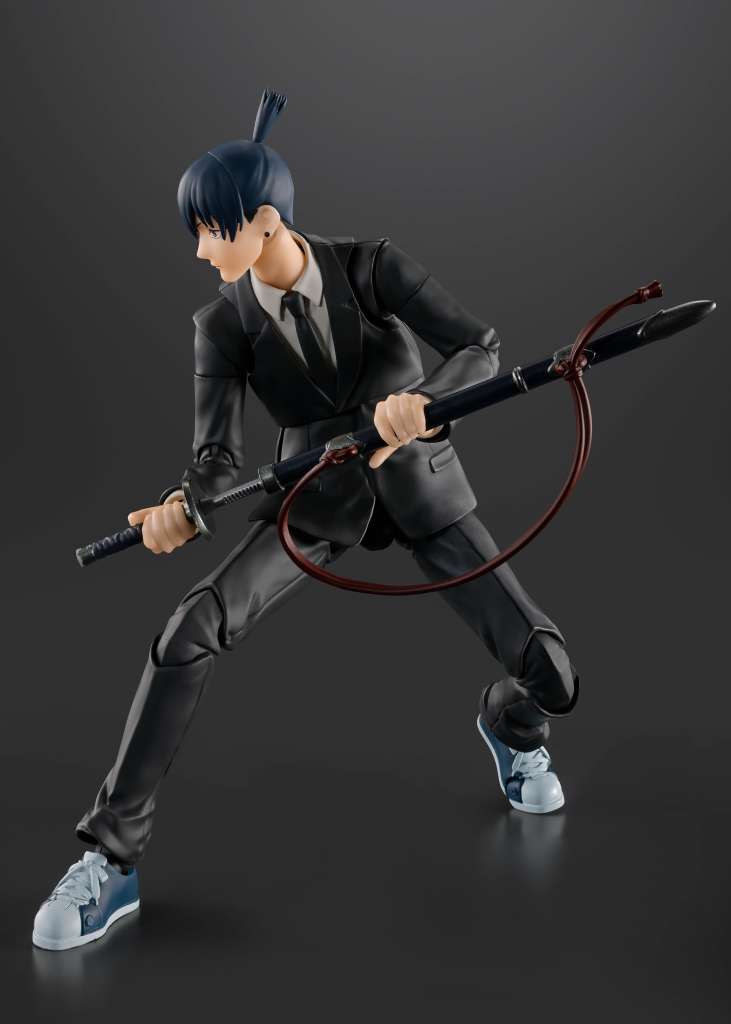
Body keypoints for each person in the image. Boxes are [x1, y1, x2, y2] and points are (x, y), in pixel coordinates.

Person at [32, 89, 578, 951]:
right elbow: (216, 457)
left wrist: (422, 403)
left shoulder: (372, 267)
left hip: (422, 489)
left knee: (552, 673)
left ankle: (510, 727)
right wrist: (183, 509)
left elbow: (479, 346)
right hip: (315, 501)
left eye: (211, 231)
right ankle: (111, 858)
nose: (201, 251)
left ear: (263, 222)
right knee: (187, 629)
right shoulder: (223, 325)